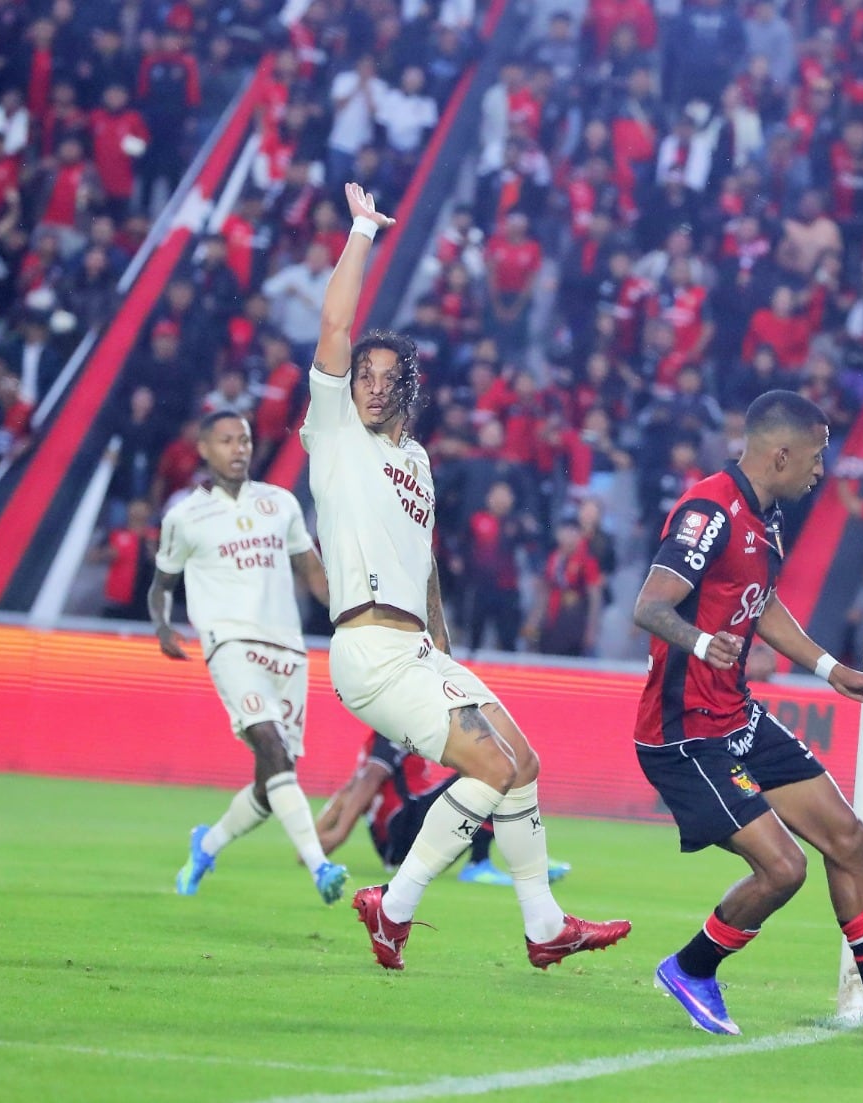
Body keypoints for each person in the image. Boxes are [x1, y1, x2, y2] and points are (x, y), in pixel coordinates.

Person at [302, 183, 628, 971]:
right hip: (367, 644)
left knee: (524, 763)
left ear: (408, 386)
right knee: (490, 768)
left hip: (417, 645)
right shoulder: (335, 433)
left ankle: (544, 925)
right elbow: (336, 322)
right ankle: (394, 906)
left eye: (387, 376)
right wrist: (359, 232)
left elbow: (425, 557)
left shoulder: (415, 461)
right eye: (363, 375)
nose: (371, 384)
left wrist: (442, 637)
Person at [631, 389, 863, 1042]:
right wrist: (705, 643)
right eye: (817, 456)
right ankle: (691, 967)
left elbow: (761, 605)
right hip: (683, 733)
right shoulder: (709, 509)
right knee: (783, 868)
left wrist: (834, 671)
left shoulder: (767, 518)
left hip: (735, 716)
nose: (823, 470)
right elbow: (650, 604)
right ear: (781, 453)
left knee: (849, 838)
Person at [150, 409, 348, 905]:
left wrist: (350, 611)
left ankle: (207, 845)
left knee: (272, 778)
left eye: (244, 439)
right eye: (226, 440)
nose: (238, 448)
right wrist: (162, 625)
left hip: (287, 648)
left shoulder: (279, 504)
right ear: (204, 449)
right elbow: (161, 584)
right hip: (230, 643)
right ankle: (321, 868)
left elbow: (310, 569)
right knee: (271, 746)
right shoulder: (184, 516)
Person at [316, 731, 572, 887]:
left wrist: (312, 845)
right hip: (405, 828)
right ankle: (483, 863)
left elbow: (350, 789)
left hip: (396, 843)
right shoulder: (392, 729)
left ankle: (524, 860)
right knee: (499, 766)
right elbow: (370, 779)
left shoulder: (376, 741)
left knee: (495, 769)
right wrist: (339, 834)